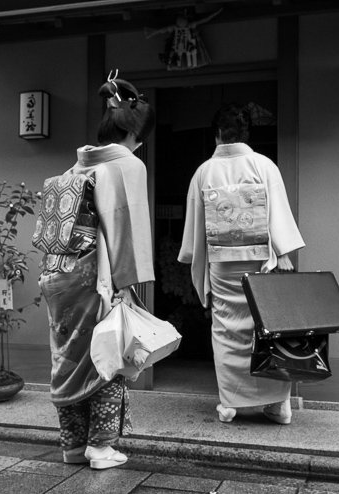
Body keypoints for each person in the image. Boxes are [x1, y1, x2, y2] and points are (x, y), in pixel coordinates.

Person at [37, 72, 155, 469]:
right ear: (136, 135)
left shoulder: (79, 165)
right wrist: (126, 286)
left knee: (67, 357)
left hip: (59, 275)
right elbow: (127, 229)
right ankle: (101, 447)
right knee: (107, 354)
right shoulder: (127, 166)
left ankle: (72, 445)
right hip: (97, 277)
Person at [178, 103, 305, 425]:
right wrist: (284, 251)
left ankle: (230, 403)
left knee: (226, 329)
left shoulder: (204, 171)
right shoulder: (264, 165)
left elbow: (196, 224)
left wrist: (196, 257)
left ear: (218, 134)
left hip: (222, 264)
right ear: (246, 133)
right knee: (268, 328)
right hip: (260, 260)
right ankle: (278, 404)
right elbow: (277, 212)